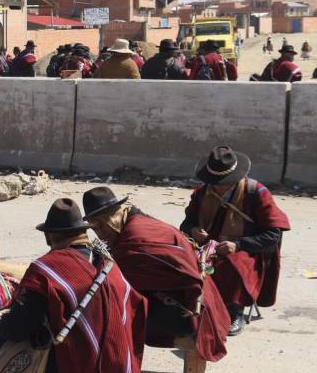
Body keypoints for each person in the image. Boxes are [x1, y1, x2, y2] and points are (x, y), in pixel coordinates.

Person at [0, 198, 144, 373]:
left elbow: (19, 327)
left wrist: (1, 328)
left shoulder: (46, 269)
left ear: (50, 236)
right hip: (115, 357)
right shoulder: (106, 260)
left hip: (77, 364)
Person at [82, 187, 228, 362]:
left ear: (112, 218)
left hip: (189, 312)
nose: (99, 232)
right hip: (186, 298)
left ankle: (114, 370)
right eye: (94, 227)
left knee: (107, 317)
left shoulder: (136, 239)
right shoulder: (137, 220)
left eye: (101, 225)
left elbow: (115, 281)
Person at [179, 146, 289, 336]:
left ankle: (234, 311)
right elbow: (187, 223)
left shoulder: (256, 193)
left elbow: (273, 235)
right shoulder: (202, 193)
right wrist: (194, 230)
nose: (216, 186)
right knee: (181, 260)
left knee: (232, 265)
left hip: (246, 248)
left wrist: (238, 245)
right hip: (208, 246)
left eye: (222, 182)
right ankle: (192, 308)